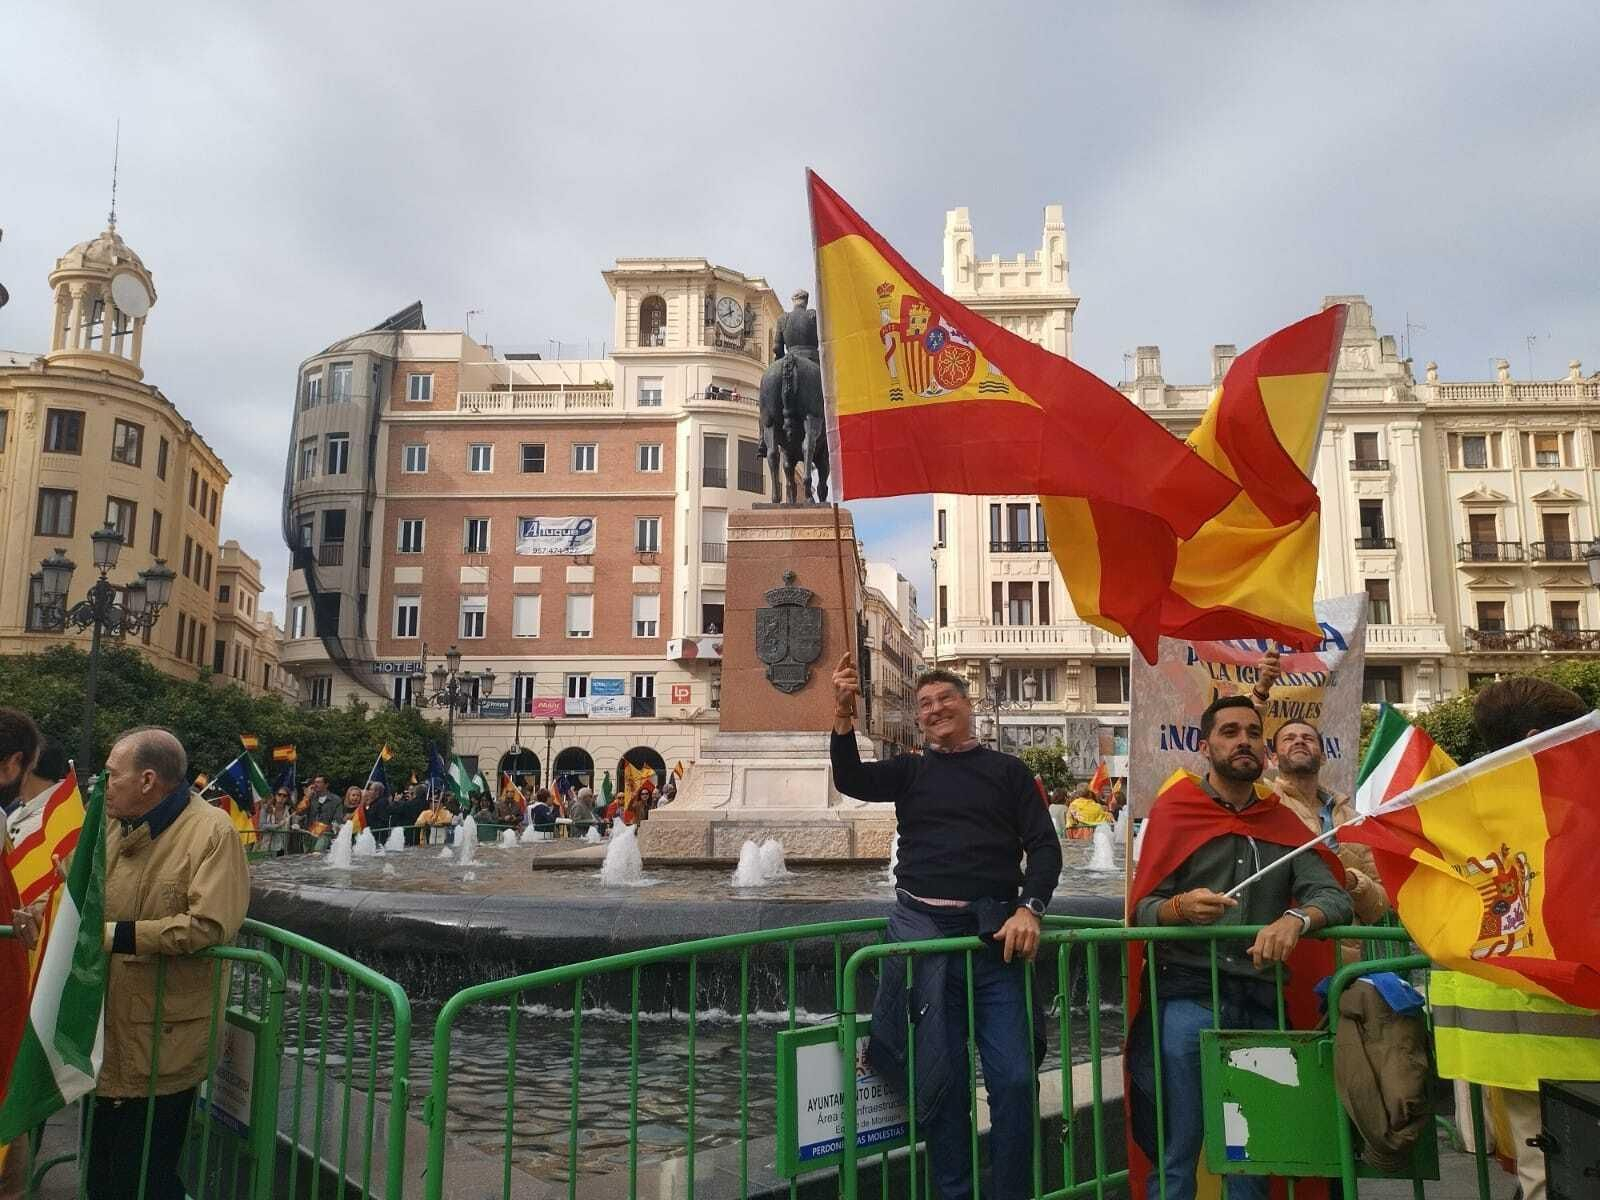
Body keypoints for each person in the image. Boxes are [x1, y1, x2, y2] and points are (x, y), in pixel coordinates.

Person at [830, 655, 1061, 1200]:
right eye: (925, 705)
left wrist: (1032, 908)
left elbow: (1045, 847)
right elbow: (853, 779)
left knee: (1013, 1079)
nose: (934, 710)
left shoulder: (1008, 772)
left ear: (968, 704)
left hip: (993, 941)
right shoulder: (910, 770)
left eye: (944, 700)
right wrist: (843, 717)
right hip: (925, 941)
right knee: (942, 1083)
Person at [1126, 695, 1351, 1200]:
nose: (1243, 740)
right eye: (1229, 732)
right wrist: (1178, 908)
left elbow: (1332, 896)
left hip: (1258, 1002)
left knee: (1252, 1150)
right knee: (1176, 1145)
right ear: (1206, 746)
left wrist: (1296, 917)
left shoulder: (1285, 824)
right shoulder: (1175, 812)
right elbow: (1142, 910)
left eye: (1252, 732)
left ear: (1264, 751)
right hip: (1187, 998)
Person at [1429, 677, 1600, 1200]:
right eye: (1575, 734)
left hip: (1507, 1047)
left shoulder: (1457, 810)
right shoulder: (1568, 809)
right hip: (1575, 1032)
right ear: (1537, 739)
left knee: (1543, 1178)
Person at [89, 726, 250, 1200]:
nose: (104, 782)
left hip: (165, 1036)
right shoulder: (112, 822)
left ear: (148, 780)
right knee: (103, 1170)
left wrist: (114, 937)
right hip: (109, 1027)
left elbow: (209, 926)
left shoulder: (212, 832)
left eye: (112, 774)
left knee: (145, 1174)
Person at [1267, 719, 1389, 923]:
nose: (1299, 742)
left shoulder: (1354, 820)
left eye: (1308, 738)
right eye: (1289, 738)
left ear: (1323, 757)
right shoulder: (1264, 803)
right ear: (1273, 758)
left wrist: (1353, 882)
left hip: (1348, 949)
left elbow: (1380, 906)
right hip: (1287, 946)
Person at [258, 787, 293, 855]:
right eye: (279, 794)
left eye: (284, 796)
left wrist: (295, 825)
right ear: (275, 796)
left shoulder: (290, 810)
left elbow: (293, 823)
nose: (281, 797)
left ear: (288, 798)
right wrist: (277, 826)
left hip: (283, 846)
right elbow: (262, 826)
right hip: (268, 845)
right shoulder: (266, 808)